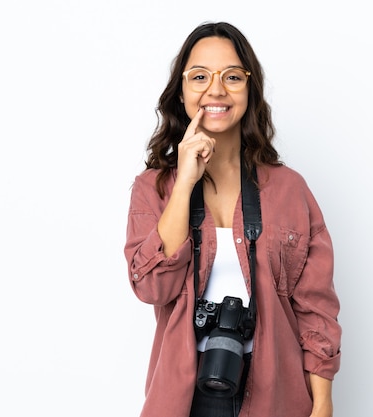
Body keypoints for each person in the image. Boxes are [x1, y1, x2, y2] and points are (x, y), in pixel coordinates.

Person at [124, 21, 341, 417]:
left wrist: (323, 403)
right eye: (200, 76)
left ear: (250, 88)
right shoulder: (153, 188)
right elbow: (153, 287)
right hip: (183, 397)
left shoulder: (290, 190)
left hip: (276, 394)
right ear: (182, 91)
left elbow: (316, 309)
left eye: (233, 76)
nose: (216, 89)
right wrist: (185, 180)